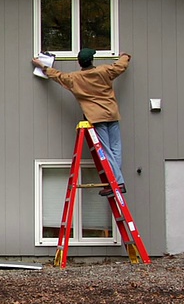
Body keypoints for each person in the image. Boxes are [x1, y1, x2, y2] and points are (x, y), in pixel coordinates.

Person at [32, 48, 131, 196]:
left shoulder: (75, 79)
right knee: (115, 148)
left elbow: (58, 76)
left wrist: (42, 65)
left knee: (106, 152)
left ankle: (117, 183)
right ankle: (117, 182)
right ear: (91, 60)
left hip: (96, 117)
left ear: (79, 63)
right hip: (112, 114)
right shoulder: (104, 71)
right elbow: (120, 66)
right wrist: (125, 56)